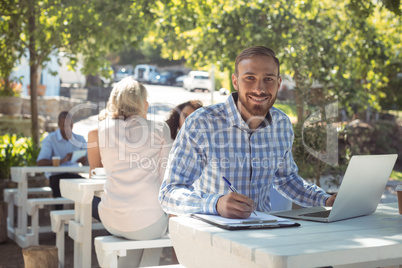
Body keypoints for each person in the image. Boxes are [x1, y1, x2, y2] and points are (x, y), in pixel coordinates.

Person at [159, 46, 336, 219]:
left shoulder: (282, 124)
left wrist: (326, 200)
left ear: (278, 83)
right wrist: (216, 204)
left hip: (265, 232)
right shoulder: (201, 123)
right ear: (235, 81)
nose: (259, 88)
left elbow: (287, 180)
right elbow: (169, 193)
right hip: (214, 236)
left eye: (268, 79)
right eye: (250, 78)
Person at [89, 77, 172, 267]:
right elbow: (165, 178)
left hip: (111, 218)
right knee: (155, 231)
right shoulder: (160, 129)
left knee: (141, 235)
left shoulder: (103, 129)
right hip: (149, 222)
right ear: (144, 103)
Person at [37, 111, 87, 209]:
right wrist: (61, 161)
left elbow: (90, 162)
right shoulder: (50, 139)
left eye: (69, 125)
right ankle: (58, 220)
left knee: (87, 189)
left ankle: (81, 220)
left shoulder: (79, 139)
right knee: (58, 187)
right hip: (56, 176)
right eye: (64, 125)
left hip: (74, 176)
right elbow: (40, 162)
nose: (67, 129)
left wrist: (82, 160)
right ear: (58, 125)